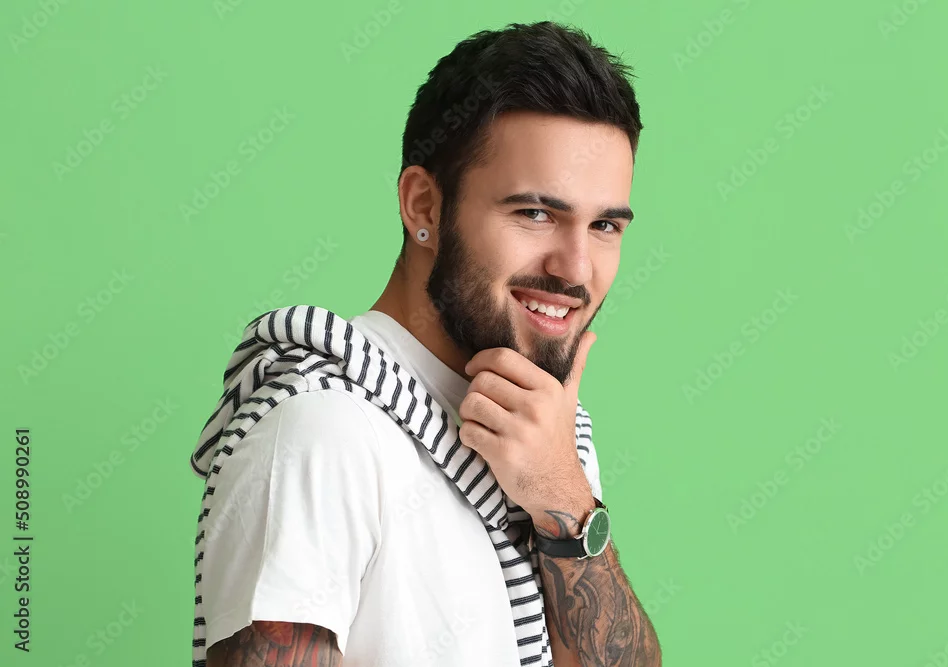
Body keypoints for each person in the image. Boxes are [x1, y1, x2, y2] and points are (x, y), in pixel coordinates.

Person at [190, 20, 660, 667]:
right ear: (423, 206)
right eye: (535, 213)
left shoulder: (547, 439)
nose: (575, 268)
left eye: (604, 225)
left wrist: (567, 501)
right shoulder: (324, 429)